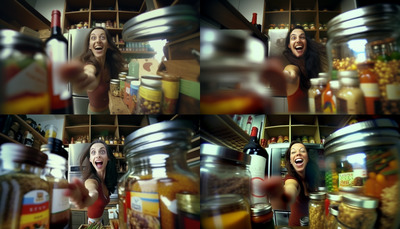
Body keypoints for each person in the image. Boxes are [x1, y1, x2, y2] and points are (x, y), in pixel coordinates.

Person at [61, 27, 125, 114]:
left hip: (111, 110)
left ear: (108, 45)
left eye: (102, 37)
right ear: (89, 46)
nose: (98, 40)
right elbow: (89, 70)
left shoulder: (110, 64)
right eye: (93, 38)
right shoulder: (90, 65)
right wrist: (86, 76)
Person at [263, 141, 320, 226]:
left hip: (315, 224)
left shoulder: (313, 177)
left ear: (307, 158)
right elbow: (290, 187)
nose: (298, 154)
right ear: (290, 161)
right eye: (293, 152)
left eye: (302, 151)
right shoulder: (290, 178)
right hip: (297, 227)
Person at [65, 140, 118, 224]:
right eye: (93, 152)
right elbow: (92, 189)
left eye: (102, 151)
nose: (97, 155)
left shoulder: (107, 181)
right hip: (92, 223)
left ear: (108, 157)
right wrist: (90, 195)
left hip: (101, 221)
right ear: (90, 159)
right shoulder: (91, 180)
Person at [282, 26, 328, 113]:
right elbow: (291, 72)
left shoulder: (315, 65)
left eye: (302, 37)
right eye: (293, 38)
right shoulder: (292, 67)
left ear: (306, 43)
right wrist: (286, 75)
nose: (298, 40)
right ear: (289, 45)